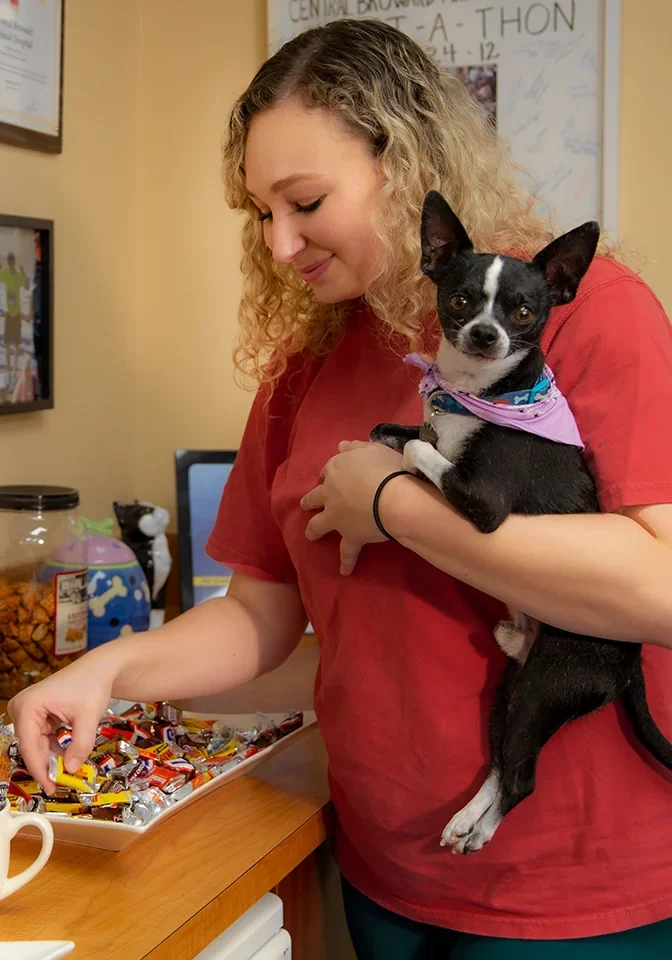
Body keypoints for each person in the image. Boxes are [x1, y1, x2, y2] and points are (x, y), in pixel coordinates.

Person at [9, 19, 672, 959]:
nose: (279, 244)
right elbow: (259, 614)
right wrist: (104, 673)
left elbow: (660, 589)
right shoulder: (307, 367)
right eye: (258, 215)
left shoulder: (588, 313)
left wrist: (394, 504)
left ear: (405, 167)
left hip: (574, 891)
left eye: (305, 201)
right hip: (387, 869)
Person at [0, 252, 29, 388]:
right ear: (7, 261)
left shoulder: (17, 275)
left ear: (14, 261)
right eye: (9, 260)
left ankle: (14, 370)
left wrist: (23, 274)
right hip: (8, 314)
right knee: (6, 344)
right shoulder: (4, 273)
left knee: (16, 344)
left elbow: (27, 287)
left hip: (16, 314)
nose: (11, 262)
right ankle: (9, 369)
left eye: (12, 260)